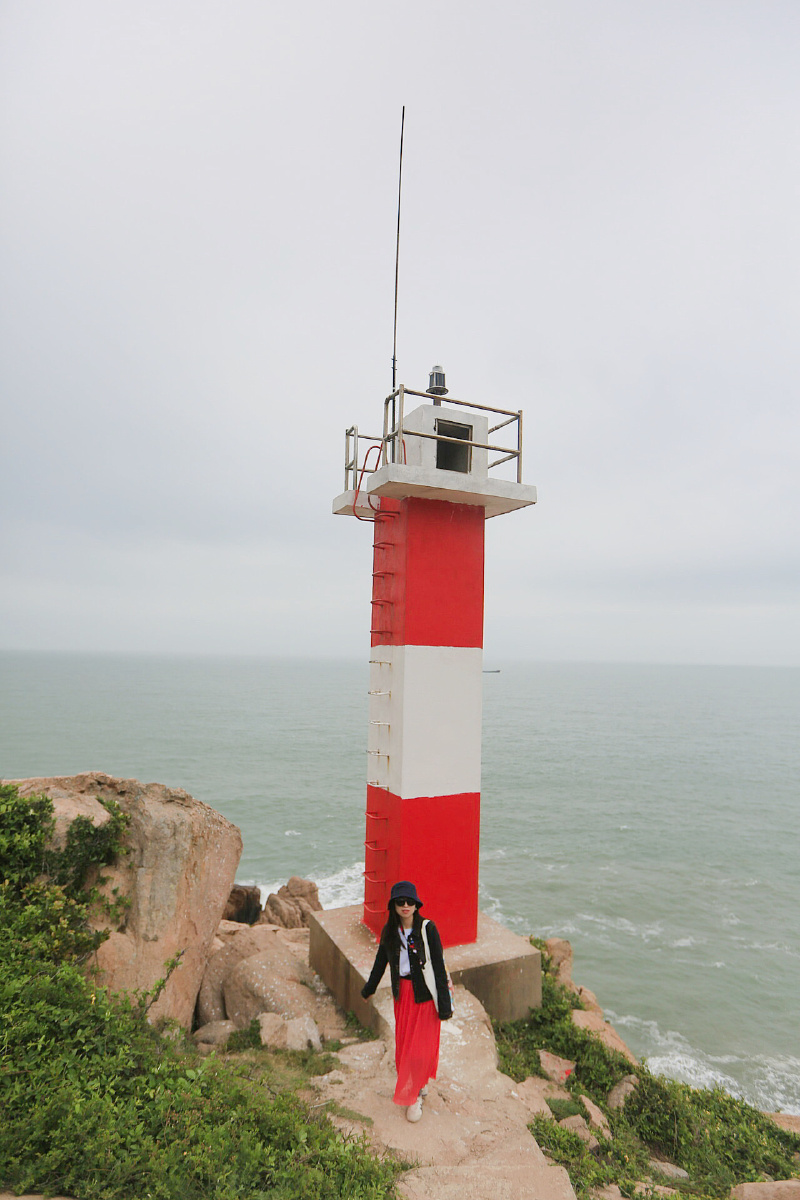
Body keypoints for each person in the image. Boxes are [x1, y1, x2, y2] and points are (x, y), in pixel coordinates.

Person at [360, 880, 452, 1122]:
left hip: (425, 996)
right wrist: (368, 989)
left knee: (420, 1049)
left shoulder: (427, 929)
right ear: (393, 905)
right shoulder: (390, 932)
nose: (405, 906)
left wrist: (444, 1005)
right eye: (400, 902)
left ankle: (414, 1096)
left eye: (410, 901)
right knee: (404, 1049)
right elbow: (381, 963)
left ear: (416, 904)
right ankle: (417, 1085)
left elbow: (439, 967)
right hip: (403, 997)